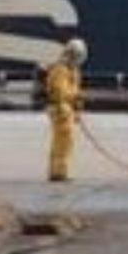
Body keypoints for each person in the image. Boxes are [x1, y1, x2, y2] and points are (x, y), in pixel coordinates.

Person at [42, 38, 87, 183]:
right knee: (62, 142)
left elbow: (75, 89)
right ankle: (58, 173)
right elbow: (60, 92)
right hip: (60, 107)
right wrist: (74, 97)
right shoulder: (60, 69)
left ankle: (58, 170)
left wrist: (77, 108)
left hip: (67, 108)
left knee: (65, 142)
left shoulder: (73, 70)